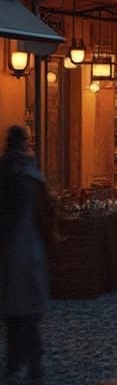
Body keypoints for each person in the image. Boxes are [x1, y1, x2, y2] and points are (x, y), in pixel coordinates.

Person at [0, 126, 56, 381]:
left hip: (10, 250)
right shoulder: (32, 175)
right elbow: (48, 210)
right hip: (29, 248)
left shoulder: (5, 172)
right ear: (23, 144)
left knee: (14, 311)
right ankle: (32, 361)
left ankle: (16, 362)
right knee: (28, 312)